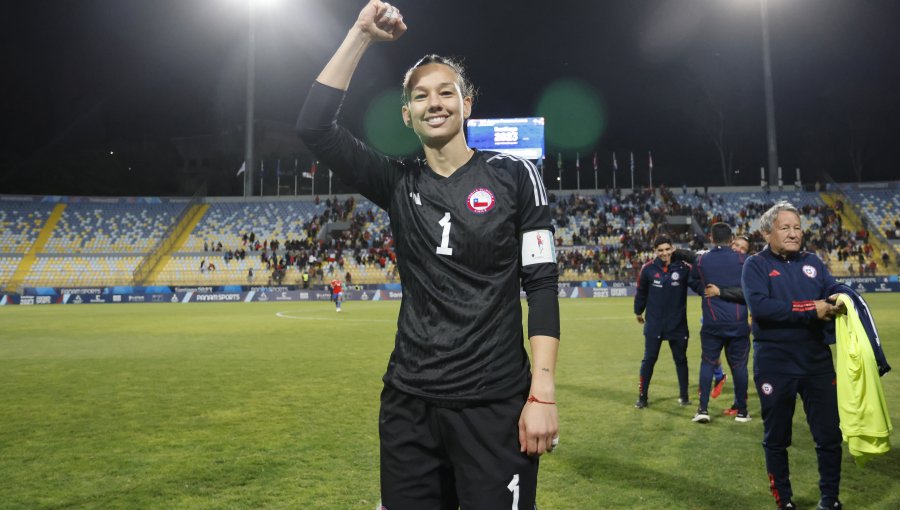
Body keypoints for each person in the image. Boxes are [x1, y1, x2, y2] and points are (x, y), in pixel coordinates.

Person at [296, 2, 560, 508]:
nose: (433, 102)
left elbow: (542, 285)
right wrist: (360, 35)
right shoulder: (397, 182)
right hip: (409, 404)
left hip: (493, 403)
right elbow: (314, 128)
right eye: (420, 95)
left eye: (445, 92)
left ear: (467, 104)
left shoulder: (513, 175)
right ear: (406, 114)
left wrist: (542, 394)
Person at [742, 201, 845, 510]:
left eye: (797, 227)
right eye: (784, 227)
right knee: (777, 437)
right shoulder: (755, 265)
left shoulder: (813, 261)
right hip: (775, 363)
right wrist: (811, 308)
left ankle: (830, 498)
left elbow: (833, 288)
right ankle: (784, 500)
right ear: (766, 232)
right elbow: (761, 307)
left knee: (829, 435)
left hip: (817, 362)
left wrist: (842, 296)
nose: (792, 233)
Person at [687, 223, 751, 424]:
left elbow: (691, 279)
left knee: (708, 363)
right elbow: (751, 292)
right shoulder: (745, 261)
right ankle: (742, 412)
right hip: (738, 323)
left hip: (712, 323)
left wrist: (704, 290)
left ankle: (703, 409)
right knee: (739, 367)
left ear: (711, 238)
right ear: (732, 239)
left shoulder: (702, 260)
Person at [633, 235, 691, 408]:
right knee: (649, 360)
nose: (664, 253)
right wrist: (638, 311)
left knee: (681, 360)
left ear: (672, 248)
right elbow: (641, 292)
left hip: (678, 325)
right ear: (655, 251)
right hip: (654, 324)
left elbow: (698, 284)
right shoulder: (648, 269)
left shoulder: (683, 268)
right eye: (660, 250)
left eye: (667, 249)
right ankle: (642, 397)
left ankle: (684, 396)